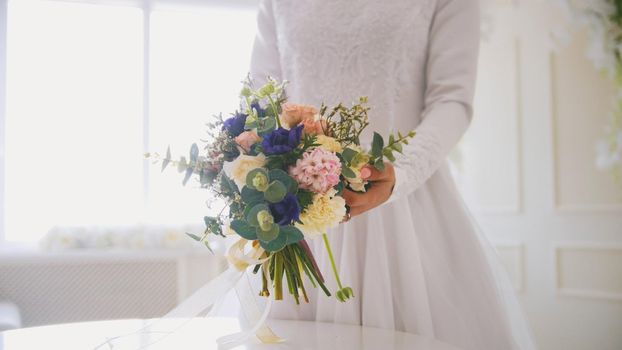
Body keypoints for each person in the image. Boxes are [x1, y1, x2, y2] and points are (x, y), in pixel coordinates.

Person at [249, 0, 537, 349]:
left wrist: (401, 173)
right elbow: (261, 100)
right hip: (300, 213)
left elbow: (452, 100)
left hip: (404, 209)